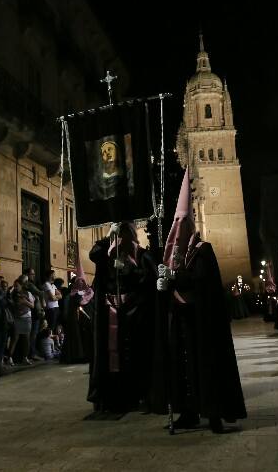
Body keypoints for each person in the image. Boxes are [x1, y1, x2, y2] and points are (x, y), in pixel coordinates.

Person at [153, 168, 246, 433]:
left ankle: (214, 413)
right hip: (181, 321)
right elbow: (172, 284)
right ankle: (188, 412)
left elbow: (200, 280)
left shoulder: (203, 251)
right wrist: (162, 285)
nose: (178, 233)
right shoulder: (174, 256)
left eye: (182, 228)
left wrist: (174, 276)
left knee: (206, 366)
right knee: (183, 367)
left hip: (202, 321)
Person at [87, 221, 157, 414]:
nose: (121, 239)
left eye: (125, 234)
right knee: (111, 355)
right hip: (110, 313)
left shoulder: (142, 255)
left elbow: (150, 278)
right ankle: (113, 395)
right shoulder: (108, 254)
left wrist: (129, 269)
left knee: (135, 354)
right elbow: (93, 254)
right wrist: (107, 236)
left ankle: (138, 394)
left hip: (134, 312)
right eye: (119, 234)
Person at [60, 255, 93, 364]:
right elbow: (71, 307)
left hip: (87, 320)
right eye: (78, 282)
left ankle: (87, 356)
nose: (80, 283)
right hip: (76, 321)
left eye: (82, 281)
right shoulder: (73, 295)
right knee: (76, 338)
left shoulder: (90, 293)